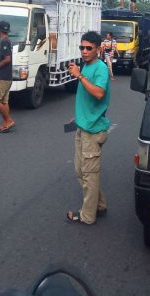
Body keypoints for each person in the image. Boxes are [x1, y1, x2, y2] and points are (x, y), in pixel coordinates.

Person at [66, 31, 111, 225]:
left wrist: (79, 75)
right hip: (82, 125)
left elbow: (99, 93)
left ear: (98, 49)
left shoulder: (100, 68)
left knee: (89, 174)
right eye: (82, 47)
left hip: (93, 130)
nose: (84, 51)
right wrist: (78, 116)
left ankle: (87, 216)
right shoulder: (87, 65)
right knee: (80, 171)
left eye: (88, 48)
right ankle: (99, 205)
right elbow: (85, 98)